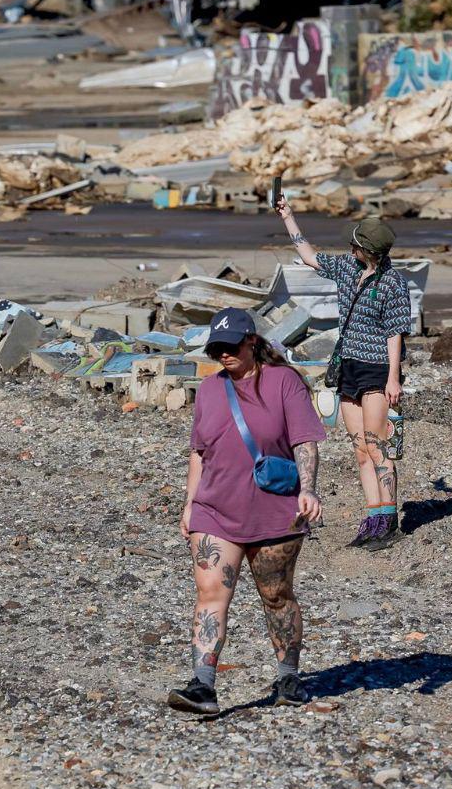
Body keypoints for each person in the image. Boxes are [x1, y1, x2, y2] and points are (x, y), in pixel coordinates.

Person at [168, 308, 326, 716]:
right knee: (211, 592)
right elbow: (198, 454)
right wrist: (189, 506)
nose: (224, 354)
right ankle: (202, 685)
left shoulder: (285, 383)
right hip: (215, 509)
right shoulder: (208, 390)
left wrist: (307, 490)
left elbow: (305, 442)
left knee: (276, 596)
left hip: (275, 511)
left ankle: (288, 675)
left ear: (252, 342)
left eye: (231, 346)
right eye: (217, 348)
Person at [274, 199, 413, 550]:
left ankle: (388, 520)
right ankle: (372, 516)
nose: (349, 247)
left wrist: (393, 378)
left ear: (368, 250)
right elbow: (309, 256)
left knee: (379, 447)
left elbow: (396, 332)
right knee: (361, 449)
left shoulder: (394, 284)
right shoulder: (348, 269)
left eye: (355, 244)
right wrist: (288, 217)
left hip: (378, 369)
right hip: (349, 367)